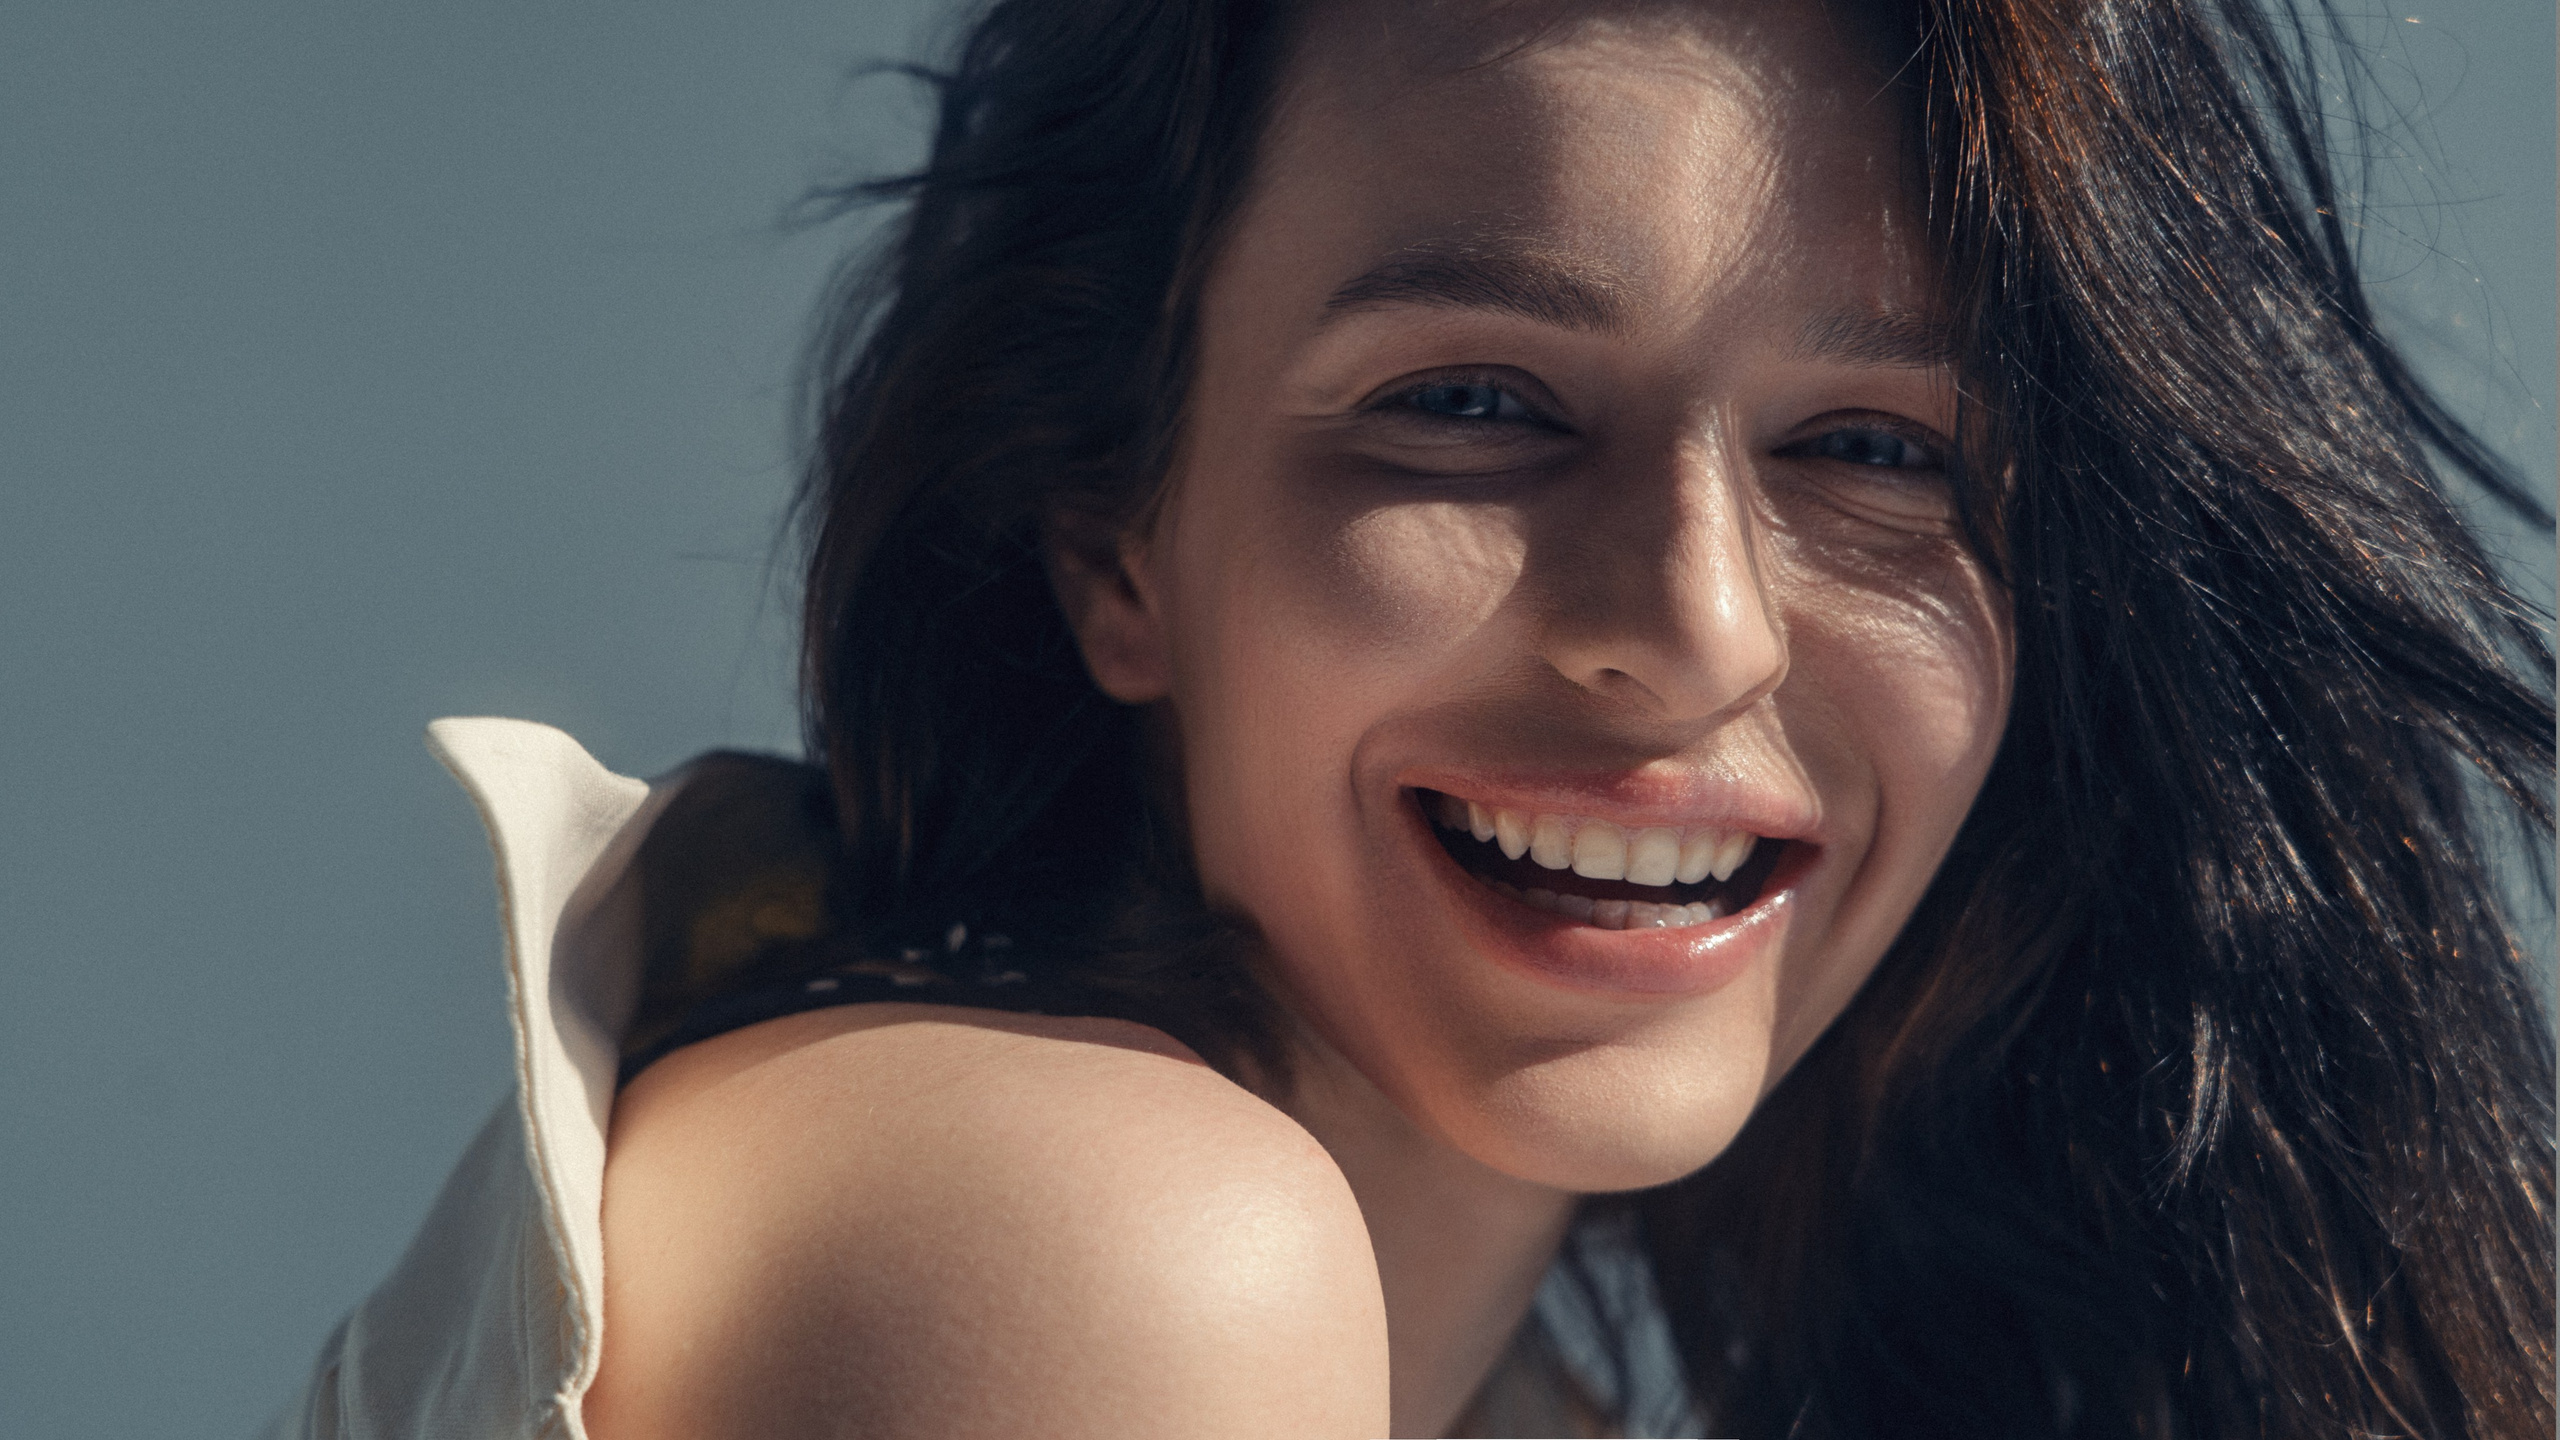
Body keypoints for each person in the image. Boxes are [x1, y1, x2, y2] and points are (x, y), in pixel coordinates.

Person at [267, 0, 2555, 1435]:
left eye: (1876, 449)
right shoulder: (1088, 1253)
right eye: (1467, 405)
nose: (1687, 631)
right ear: (1113, 538)